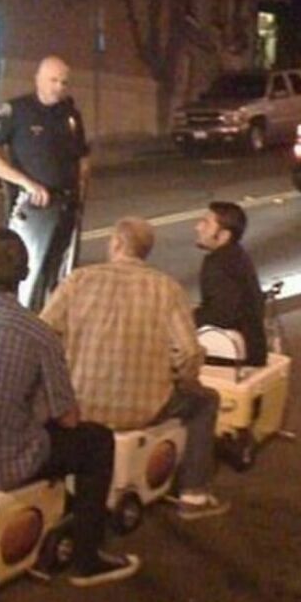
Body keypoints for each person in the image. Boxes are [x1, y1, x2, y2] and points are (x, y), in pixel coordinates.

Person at [0, 227, 140, 587]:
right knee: (96, 442)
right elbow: (68, 418)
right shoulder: (37, 333)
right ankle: (88, 556)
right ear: (24, 275)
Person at [41, 217, 228, 521]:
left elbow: (43, 334)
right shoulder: (167, 289)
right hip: (145, 408)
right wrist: (183, 379)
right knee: (206, 401)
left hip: (81, 406)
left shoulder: (78, 281)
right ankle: (194, 494)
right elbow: (190, 352)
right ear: (146, 251)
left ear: (115, 243)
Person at [0, 55, 90, 312]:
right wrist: (26, 184)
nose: (59, 87)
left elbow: (83, 159)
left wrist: (82, 194)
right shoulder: (16, 111)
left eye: (64, 82)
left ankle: (50, 335)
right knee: (25, 278)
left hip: (67, 207)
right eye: (53, 80)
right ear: (37, 78)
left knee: (61, 280)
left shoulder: (70, 115)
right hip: (32, 209)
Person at [194, 201, 267, 367]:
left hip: (238, 354)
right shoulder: (236, 255)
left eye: (206, 223)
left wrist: (184, 318)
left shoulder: (218, 264)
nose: (198, 227)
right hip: (253, 346)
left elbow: (220, 315)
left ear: (224, 235)